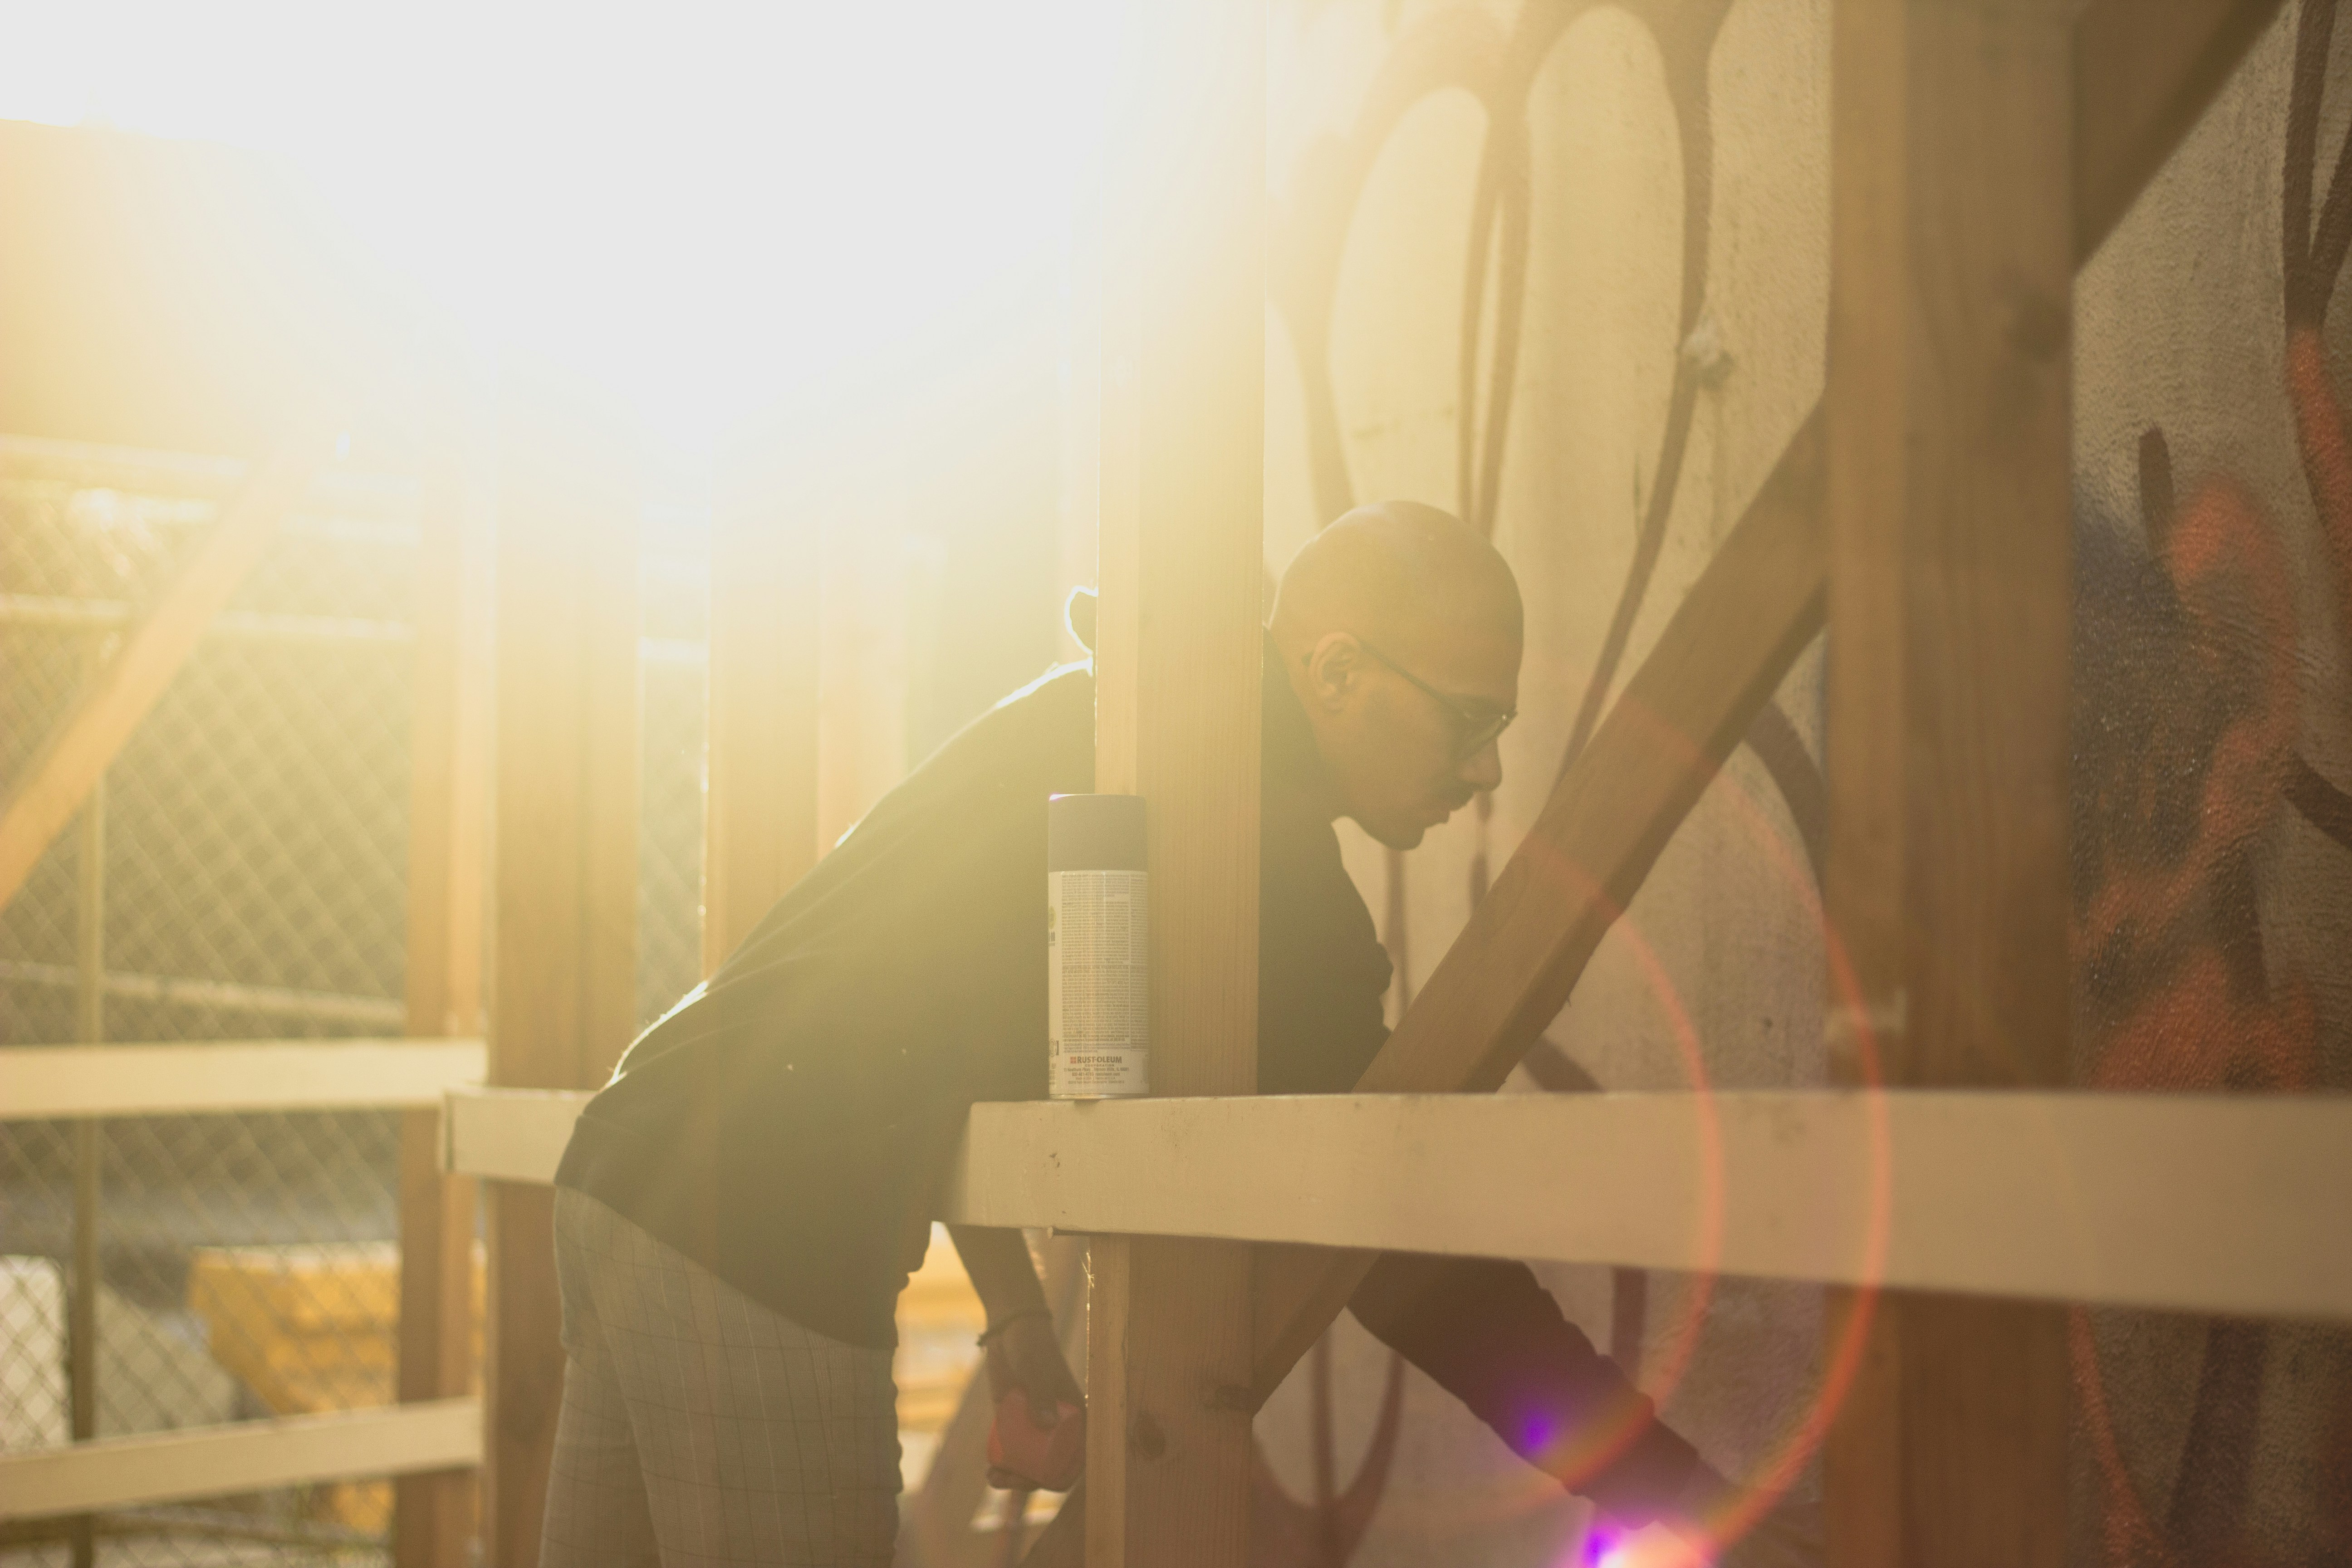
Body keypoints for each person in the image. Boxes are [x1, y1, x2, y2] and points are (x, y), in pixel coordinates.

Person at [539, 501, 1805, 1568]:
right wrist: (1675, 1494)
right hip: (757, 1224)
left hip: (632, 1157)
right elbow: (1418, 1273)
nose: (1484, 775)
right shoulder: (1250, 876)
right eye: (1467, 723)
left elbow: (911, 1003)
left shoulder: (1103, 711)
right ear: (1338, 673)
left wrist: (1012, 1310)